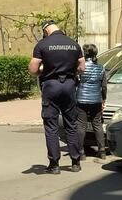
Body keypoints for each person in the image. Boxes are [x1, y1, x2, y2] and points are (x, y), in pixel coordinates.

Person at [29, 20, 85, 174]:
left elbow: (33, 69)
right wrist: (70, 71)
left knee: (51, 125)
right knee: (71, 124)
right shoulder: (74, 44)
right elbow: (82, 68)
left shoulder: (42, 44)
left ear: (45, 30)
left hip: (51, 85)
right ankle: (75, 162)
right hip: (69, 85)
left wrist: (43, 71)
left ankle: (54, 165)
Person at [76, 44, 107, 161]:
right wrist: (103, 99)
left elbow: (76, 82)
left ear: (85, 54)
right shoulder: (101, 68)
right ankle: (102, 151)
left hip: (81, 99)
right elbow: (104, 86)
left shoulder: (80, 67)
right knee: (97, 124)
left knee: (81, 125)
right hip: (96, 99)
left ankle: (81, 153)